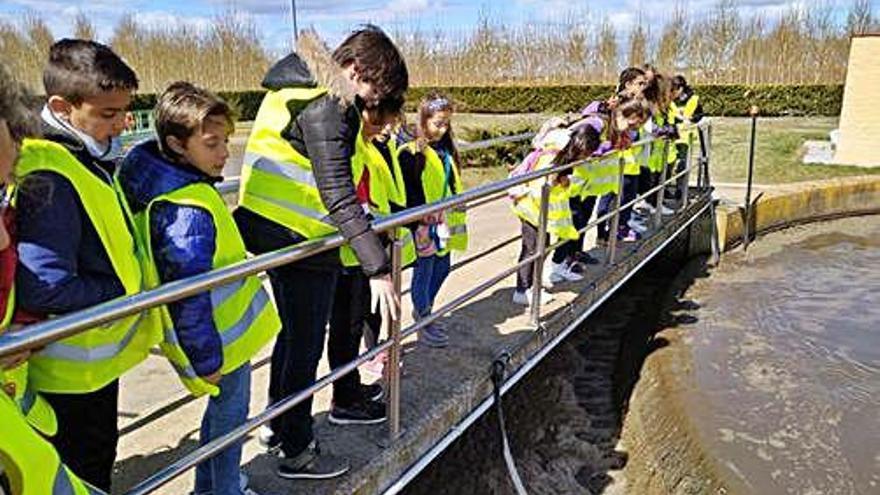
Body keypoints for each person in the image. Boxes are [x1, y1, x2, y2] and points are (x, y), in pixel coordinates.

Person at [232, 26, 407, 479]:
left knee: (292, 337)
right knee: (304, 345)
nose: (371, 103)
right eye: (374, 90)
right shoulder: (329, 104)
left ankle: (278, 423)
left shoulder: (296, 89)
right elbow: (338, 194)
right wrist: (378, 268)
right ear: (354, 70)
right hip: (299, 237)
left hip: (275, 230)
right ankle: (298, 449)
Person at [116, 82, 282, 495]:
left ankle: (209, 487)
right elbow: (189, 294)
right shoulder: (185, 209)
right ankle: (223, 490)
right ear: (176, 144)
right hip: (220, 343)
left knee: (222, 414)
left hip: (221, 339)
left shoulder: (172, 186)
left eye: (226, 140)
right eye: (212, 144)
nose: (225, 152)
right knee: (230, 422)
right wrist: (205, 357)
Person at [14, 39, 161, 492]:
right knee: (85, 470)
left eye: (124, 113)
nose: (120, 127)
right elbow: (45, 287)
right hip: (69, 375)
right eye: (108, 115)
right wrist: (120, 292)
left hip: (88, 364)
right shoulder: (50, 172)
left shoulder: (77, 157)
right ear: (61, 105)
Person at [326, 104, 414, 425]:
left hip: (367, 248)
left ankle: (350, 389)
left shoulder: (365, 145)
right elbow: (349, 200)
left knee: (351, 328)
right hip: (352, 254)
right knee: (345, 330)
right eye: (377, 120)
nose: (383, 127)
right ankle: (343, 401)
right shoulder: (347, 148)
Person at [397, 93, 468, 347]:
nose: (443, 128)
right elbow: (410, 190)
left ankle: (425, 309)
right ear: (424, 120)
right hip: (425, 224)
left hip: (445, 222)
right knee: (424, 271)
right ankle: (423, 317)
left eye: (447, 123)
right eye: (438, 123)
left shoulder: (444, 149)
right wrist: (419, 221)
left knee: (443, 267)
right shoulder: (412, 152)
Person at [509, 124, 600, 305]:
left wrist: (562, 181)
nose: (586, 158)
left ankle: (531, 286)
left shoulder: (562, 157)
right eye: (587, 153)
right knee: (532, 248)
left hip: (538, 210)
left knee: (540, 246)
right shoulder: (552, 157)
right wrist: (557, 182)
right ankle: (522, 289)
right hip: (531, 207)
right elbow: (540, 186)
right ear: (580, 146)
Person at [580, 95, 651, 246]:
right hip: (596, 176)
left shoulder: (623, 131)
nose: (637, 126)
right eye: (636, 121)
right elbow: (586, 139)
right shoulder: (602, 123)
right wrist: (602, 148)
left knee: (617, 202)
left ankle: (606, 235)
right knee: (594, 209)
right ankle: (600, 235)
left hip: (610, 173)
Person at [669, 75, 704, 204]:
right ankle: (665, 189)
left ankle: (680, 189)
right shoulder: (669, 100)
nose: (672, 93)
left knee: (682, 164)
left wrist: (691, 120)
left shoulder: (693, 99)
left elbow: (700, 115)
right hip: (672, 137)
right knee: (669, 165)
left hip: (685, 137)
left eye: (674, 89)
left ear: (681, 88)